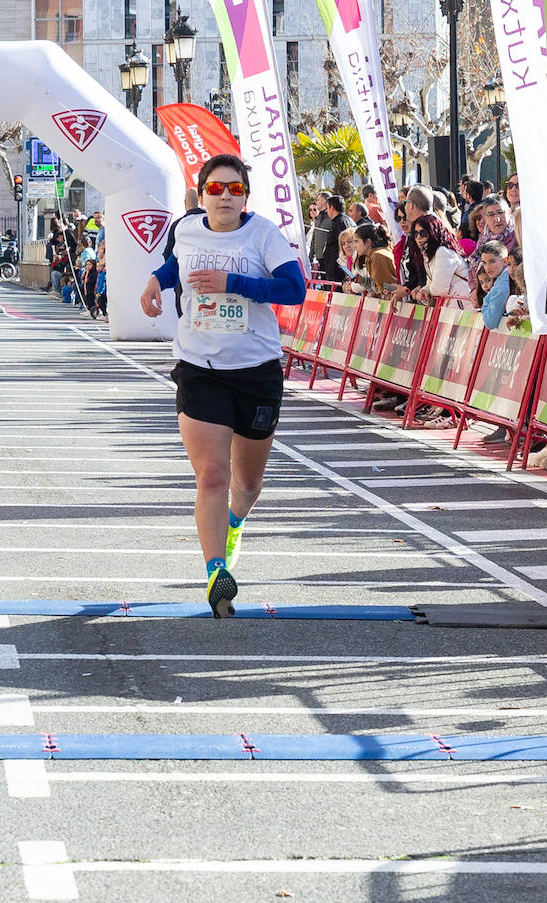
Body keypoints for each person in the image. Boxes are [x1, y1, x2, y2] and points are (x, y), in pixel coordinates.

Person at [139, 154, 306, 618]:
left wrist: (232, 282)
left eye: (235, 189)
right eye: (216, 189)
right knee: (212, 474)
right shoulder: (187, 229)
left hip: (256, 369)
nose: (226, 196)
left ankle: (235, 523)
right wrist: (157, 280)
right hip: (200, 365)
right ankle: (216, 572)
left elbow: (294, 289)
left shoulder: (263, 234)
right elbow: (177, 264)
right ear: (202, 194)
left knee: (247, 483)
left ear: (246, 195)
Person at [343, 223, 397, 297]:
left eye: (356, 241)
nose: (354, 246)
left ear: (368, 242)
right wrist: (363, 281)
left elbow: (389, 287)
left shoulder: (377, 256)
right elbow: (378, 286)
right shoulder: (373, 255)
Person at [317, 195, 354, 284]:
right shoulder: (342, 221)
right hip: (335, 268)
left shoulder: (341, 223)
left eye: (327, 208)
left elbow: (345, 247)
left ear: (332, 208)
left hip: (339, 270)